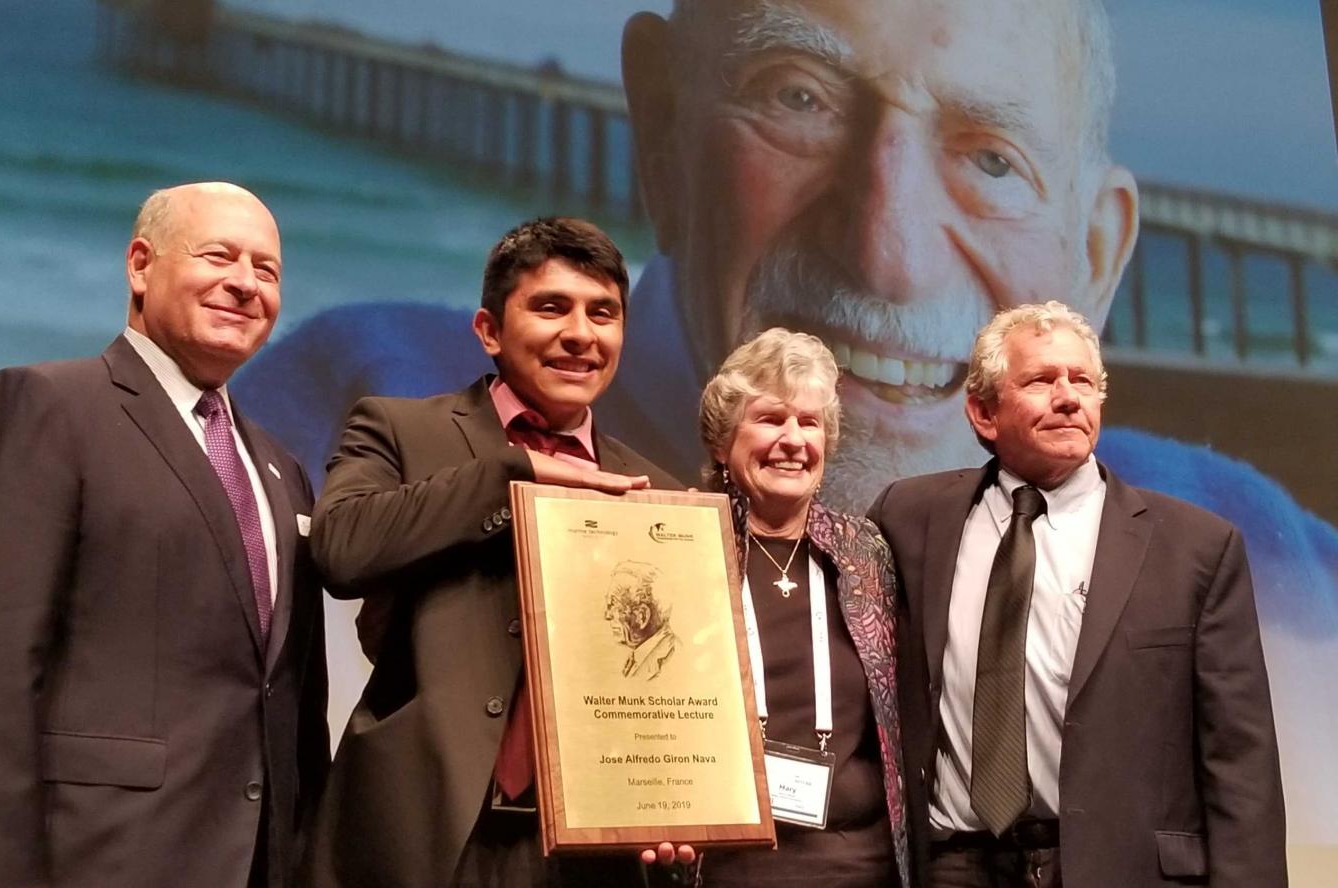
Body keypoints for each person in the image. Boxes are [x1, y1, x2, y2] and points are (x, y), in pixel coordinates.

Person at [227, 0, 1337, 834]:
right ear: (661, 129)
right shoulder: (348, 411)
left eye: (993, 159)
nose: (885, 254)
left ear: (1097, 255)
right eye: (799, 97)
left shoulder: (1257, 562)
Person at [0, 182, 329, 888]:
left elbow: (287, 698)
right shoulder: (45, 406)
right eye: (219, 256)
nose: (245, 284)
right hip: (94, 861)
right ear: (140, 265)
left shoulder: (280, 468)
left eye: (267, 270)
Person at [302, 217, 683, 888]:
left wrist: (682, 801)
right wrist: (510, 475)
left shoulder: (657, 493)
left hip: (586, 848)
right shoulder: (399, 428)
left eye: (603, 313)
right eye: (550, 307)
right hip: (421, 824)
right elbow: (341, 548)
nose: (580, 334)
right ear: (488, 330)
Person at [868, 302, 1285, 887]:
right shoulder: (909, 518)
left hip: (1117, 868)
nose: (1068, 397)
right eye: (1041, 381)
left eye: (1082, 381)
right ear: (984, 412)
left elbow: (1240, 759)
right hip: (953, 865)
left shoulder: (1195, 548)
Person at [688, 327, 910, 887]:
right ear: (722, 439)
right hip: (723, 865)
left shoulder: (866, 552)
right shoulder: (680, 542)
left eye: (809, 422)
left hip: (860, 863)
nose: (793, 440)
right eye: (770, 419)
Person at [604, 561, 681, 680]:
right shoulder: (640, 657)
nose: (607, 615)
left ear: (642, 616)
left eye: (613, 604)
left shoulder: (671, 659)